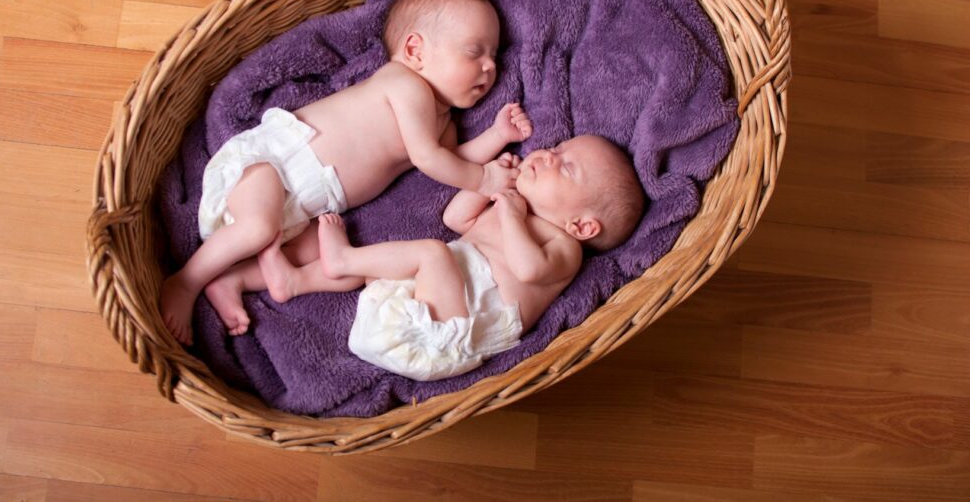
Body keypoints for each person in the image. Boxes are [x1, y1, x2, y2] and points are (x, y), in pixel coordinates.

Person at [161, 0, 532, 344]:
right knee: (257, 228)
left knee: (337, 262)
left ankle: (234, 278)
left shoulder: (442, 123)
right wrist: (483, 180)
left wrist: (497, 136)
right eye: (474, 52)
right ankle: (186, 281)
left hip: (303, 208)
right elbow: (429, 159)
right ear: (416, 51)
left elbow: (450, 161)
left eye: (494, 56)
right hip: (276, 164)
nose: (489, 67)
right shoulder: (405, 85)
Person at [204, 135, 645, 381]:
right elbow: (456, 219)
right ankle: (289, 281)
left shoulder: (564, 249)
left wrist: (510, 213)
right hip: (432, 300)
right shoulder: (511, 207)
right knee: (415, 259)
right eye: (561, 147)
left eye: (565, 167)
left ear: (583, 226)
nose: (550, 155)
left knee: (431, 255)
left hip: (455, 334)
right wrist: (487, 185)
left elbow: (529, 269)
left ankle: (343, 260)